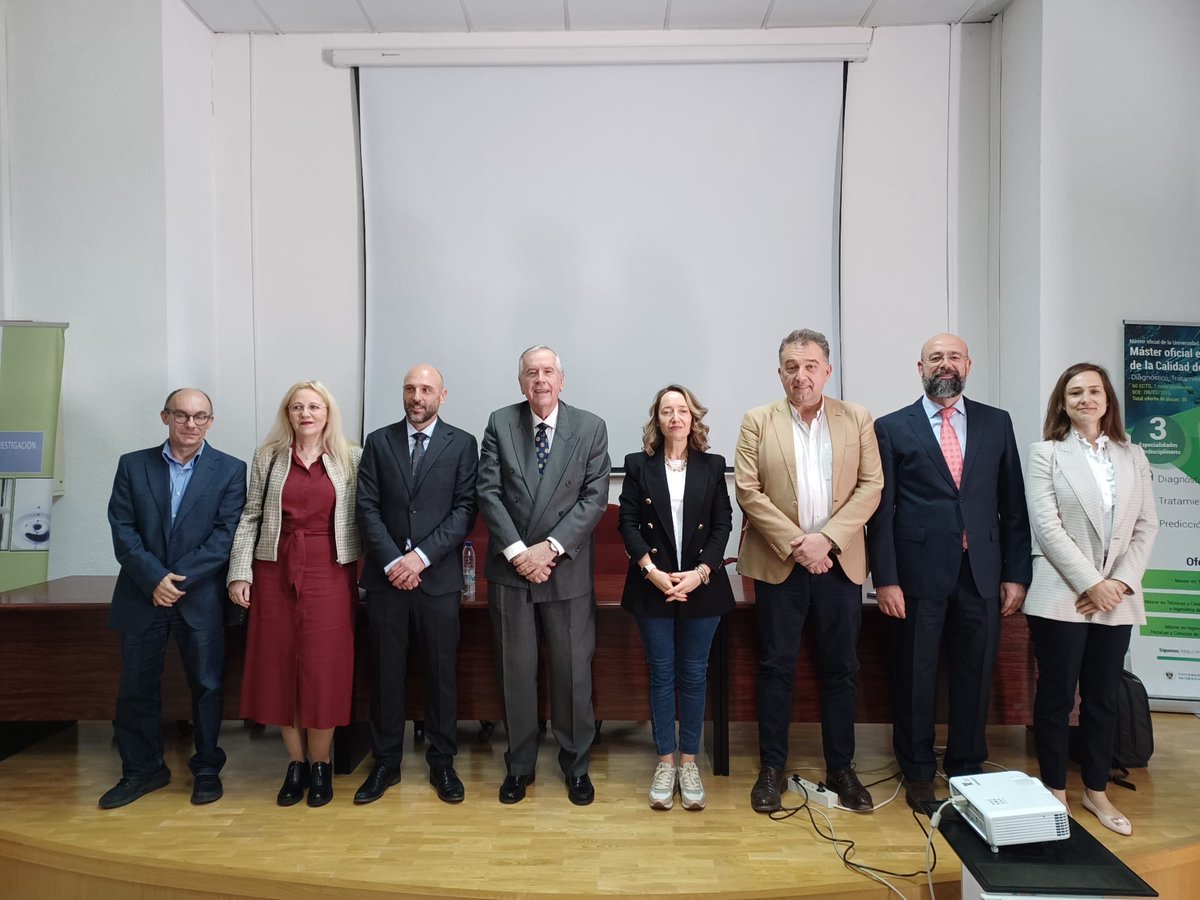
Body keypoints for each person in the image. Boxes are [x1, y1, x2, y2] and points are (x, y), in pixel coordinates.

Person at [867, 333, 1032, 812]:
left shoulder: (996, 423)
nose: (945, 364)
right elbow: (884, 511)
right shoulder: (892, 427)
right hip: (916, 576)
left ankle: (966, 765)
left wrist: (1016, 573)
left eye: (954, 356)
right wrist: (887, 578)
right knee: (916, 674)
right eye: (935, 357)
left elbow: (1013, 505)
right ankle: (917, 769)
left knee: (975, 674)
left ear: (969, 364)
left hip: (982, 571)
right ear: (919, 367)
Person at [735, 329, 884, 814]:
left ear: (828, 370)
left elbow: (871, 486)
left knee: (842, 669)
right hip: (781, 563)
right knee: (776, 667)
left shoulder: (857, 418)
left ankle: (842, 769)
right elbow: (748, 490)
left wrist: (827, 541)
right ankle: (772, 769)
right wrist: (800, 544)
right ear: (780, 372)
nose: (802, 375)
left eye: (811, 365)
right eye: (792, 367)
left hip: (839, 564)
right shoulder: (757, 420)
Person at [1024, 363, 1157, 835]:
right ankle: (1054, 790)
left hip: (1116, 597)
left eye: (1094, 391)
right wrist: (1090, 584)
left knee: (1103, 698)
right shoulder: (1046, 454)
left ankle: (1096, 790)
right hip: (1062, 593)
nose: (1085, 399)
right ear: (1062, 402)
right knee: (1058, 698)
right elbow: (1047, 526)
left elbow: (1146, 526)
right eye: (1075, 392)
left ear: (1107, 400)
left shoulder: (1133, 455)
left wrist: (1117, 585)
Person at [477, 345, 611, 806]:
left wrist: (548, 549)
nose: (540, 380)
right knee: (515, 673)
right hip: (511, 570)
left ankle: (576, 767)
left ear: (562, 379)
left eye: (548, 372)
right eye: (532, 373)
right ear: (521, 383)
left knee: (573, 674)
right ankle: (519, 767)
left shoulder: (590, 427)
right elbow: (488, 493)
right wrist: (519, 553)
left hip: (565, 569)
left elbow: (593, 500)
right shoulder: (499, 423)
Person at [100, 389, 246, 809]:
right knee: (136, 689)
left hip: (198, 598)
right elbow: (122, 530)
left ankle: (206, 770)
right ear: (165, 416)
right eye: (181, 415)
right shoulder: (133, 465)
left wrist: (176, 581)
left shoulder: (230, 470)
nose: (191, 424)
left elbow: (225, 537)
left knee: (207, 686)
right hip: (142, 595)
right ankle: (142, 771)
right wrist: (154, 579)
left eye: (200, 417)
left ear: (211, 421)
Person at [226, 381, 361, 807]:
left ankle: (322, 767)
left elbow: (365, 515)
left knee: (323, 671)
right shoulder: (267, 457)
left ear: (327, 413)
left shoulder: (350, 457)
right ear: (287, 413)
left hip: (331, 570)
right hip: (273, 569)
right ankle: (297, 764)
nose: (306, 413)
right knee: (279, 667)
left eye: (314, 406)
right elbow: (250, 516)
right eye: (297, 406)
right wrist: (238, 572)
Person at [354, 364, 478, 805]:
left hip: (437, 579)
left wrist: (419, 558)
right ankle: (385, 763)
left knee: (442, 675)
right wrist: (393, 561)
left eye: (426, 389)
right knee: (386, 673)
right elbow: (365, 507)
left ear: (442, 395)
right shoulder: (379, 441)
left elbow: (465, 510)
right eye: (410, 388)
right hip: (388, 581)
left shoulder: (462, 443)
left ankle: (442, 763)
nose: (416, 396)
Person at [618, 385, 734, 811]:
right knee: (662, 674)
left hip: (701, 587)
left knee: (694, 675)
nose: (675, 417)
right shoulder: (638, 466)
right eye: (667, 411)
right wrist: (651, 572)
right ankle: (665, 762)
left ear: (692, 417)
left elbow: (723, 522)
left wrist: (701, 573)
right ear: (658, 419)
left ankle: (689, 762)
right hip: (654, 587)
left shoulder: (712, 465)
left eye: (681, 410)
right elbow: (627, 522)